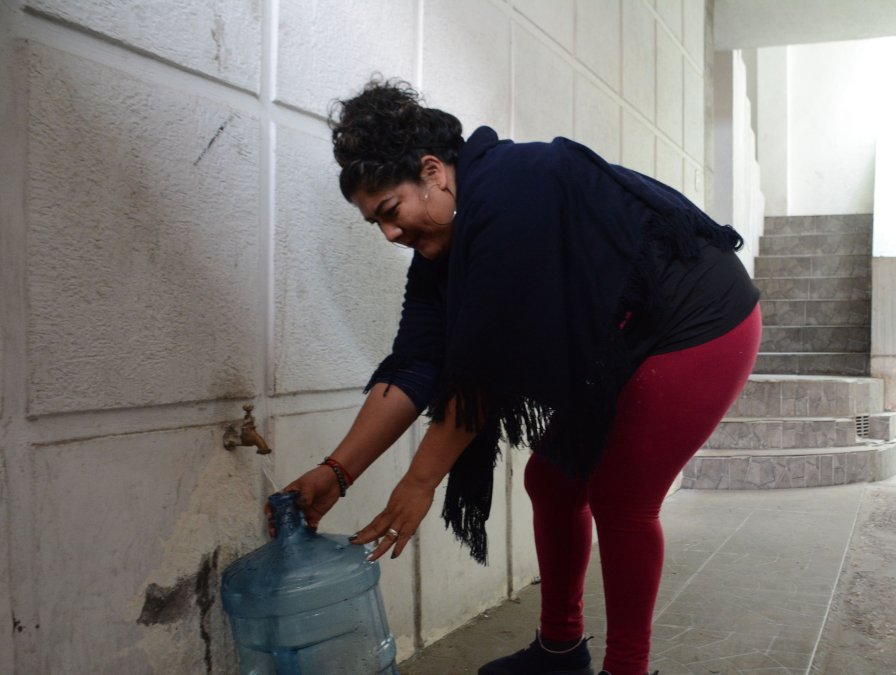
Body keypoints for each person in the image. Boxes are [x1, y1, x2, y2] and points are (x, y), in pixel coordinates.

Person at [273, 77, 761, 675]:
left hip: (697, 322)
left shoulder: (512, 189)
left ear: (435, 172)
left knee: (621, 497)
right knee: (553, 483)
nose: (390, 235)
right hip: (623, 340)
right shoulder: (442, 256)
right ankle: (561, 652)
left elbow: (483, 371)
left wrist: (420, 482)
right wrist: (337, 471)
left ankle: (628, 669)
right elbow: (415, 365)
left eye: (390, 212)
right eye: (376, 223)